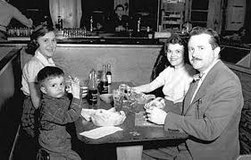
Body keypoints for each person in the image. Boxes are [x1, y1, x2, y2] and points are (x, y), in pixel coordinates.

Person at [145, 27, 244, 160]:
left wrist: (166, 119)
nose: (194, 54)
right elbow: (190, 109)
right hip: (187, 143)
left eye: (201, 48)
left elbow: (209, 129)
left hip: (207, 153)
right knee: (138, 151)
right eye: (192, 49)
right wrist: (164, 106)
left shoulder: (227, 82)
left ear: (216, 51)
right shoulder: (202, 74)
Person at [133, 34, 196, 108]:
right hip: (165, 106)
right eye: (170, 51)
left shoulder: (190, 73)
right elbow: (150, 86)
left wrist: (161, 104)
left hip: (177, 111)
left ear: (185, 53)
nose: (173, 55)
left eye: (178, 51)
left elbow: (186, 105)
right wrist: (132, 89)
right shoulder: (169, 70)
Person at [36, 66, 82, 160]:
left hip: (60, 142)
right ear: (44, 90)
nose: (60, 88)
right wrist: (76, 96)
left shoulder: (55, 97)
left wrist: (73, 90)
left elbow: (67, 104)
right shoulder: (48, 106)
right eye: (54, 85)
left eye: (61, 84)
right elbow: (69, 116)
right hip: (53, 147)